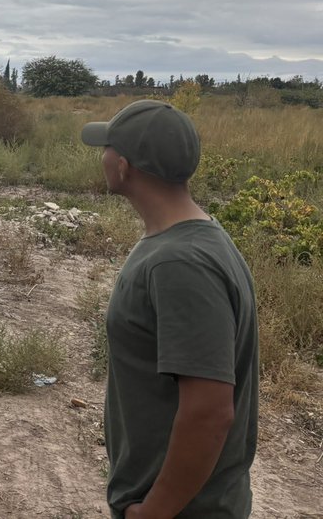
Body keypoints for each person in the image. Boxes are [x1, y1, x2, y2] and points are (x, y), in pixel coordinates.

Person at [80, 100, 258, 519]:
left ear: (124, 166)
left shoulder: (180, 263)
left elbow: (209, 411)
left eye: (106, 148)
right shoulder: (188, 240)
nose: (102, 156)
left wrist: (153, 512)